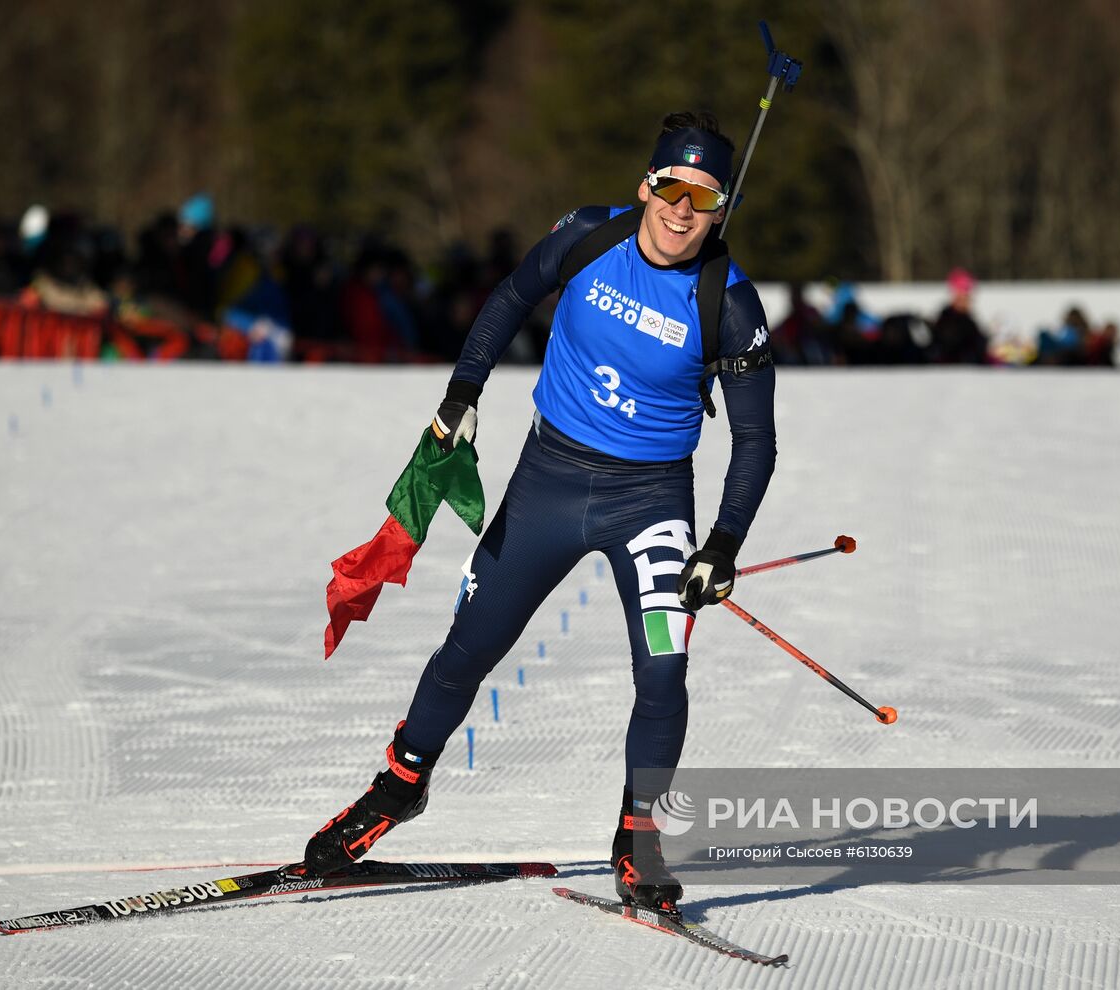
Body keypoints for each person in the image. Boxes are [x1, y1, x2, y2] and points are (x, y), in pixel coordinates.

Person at [302, 111, 777, 913]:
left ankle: (639, 840)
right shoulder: (591, 237)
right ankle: (398, 788)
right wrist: (463, 392)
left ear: (721, 207)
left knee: (664, 671)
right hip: (546, 483)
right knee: (466, 650)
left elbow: (756, 440)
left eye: (703, 195)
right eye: (671, 187)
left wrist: (721, 545)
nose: (682, 209)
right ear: (645, 186)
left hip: (651, 503)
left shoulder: (727, 301)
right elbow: (511, 297)